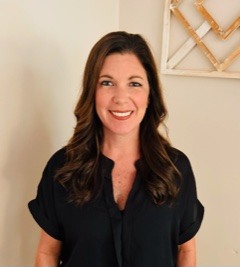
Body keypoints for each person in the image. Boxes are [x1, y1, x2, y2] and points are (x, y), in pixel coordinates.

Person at [28, 31, 204, 267]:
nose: (121, 98)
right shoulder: (62, 168)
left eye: (134, 84)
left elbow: (186, 251)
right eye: (107, 83)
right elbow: (47, 253)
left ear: (150, 94)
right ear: (93, 92)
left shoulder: (176, 169)